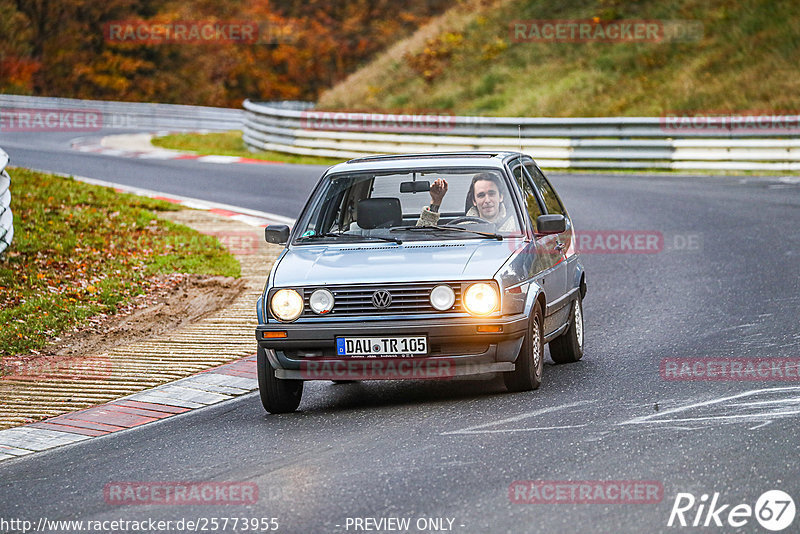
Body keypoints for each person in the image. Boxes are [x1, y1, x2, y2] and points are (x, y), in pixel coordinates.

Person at [416, 173, 516, 232]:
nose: (487, 200)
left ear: (501, 197)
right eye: (481, 195)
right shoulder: (462, 227)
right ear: (474, 201)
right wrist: (435, 202)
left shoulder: (517, 225)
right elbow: (420, 239)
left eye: (492, 193)